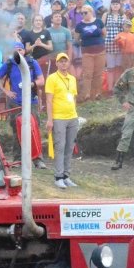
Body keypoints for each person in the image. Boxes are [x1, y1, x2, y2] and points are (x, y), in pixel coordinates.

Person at [45, 53, 79, 189]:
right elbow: (49, 100)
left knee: (69, 148)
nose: (64, 63)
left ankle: (66, 175)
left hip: (72, 117)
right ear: (57, 63)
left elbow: (74, 97)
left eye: (66, 61)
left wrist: (75, 114)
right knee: (60, 147)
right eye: (61, 61)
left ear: (69, 63)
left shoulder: (72, 79)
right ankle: (58, 177)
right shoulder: (52, 78)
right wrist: (49, 119)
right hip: (58, 117)